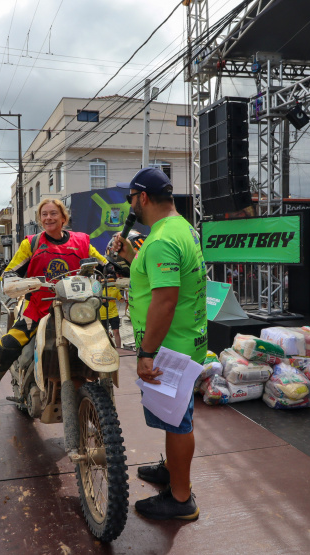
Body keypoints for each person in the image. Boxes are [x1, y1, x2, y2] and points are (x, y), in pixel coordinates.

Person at [112, 167, 207, 522]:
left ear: (143, 198)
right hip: (185, 339)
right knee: (174, 416)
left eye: (130, 198)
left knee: (179, 422)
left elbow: (165, 301)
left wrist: (147, 354)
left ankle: (181, 499)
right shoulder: (181, 228)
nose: (129, 204)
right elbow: (161, 280)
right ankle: (171, 470)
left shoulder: (162, 240)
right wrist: (129, 259)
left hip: (169, 348)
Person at [0, 198, 107, 414]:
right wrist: (14, 281)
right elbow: (11, 271)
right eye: (44, 215)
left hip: (76, 308)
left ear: (63, 217)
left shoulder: (82, 242)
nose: (49, 218)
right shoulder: (31, 243)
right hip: (38, 310)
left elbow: (103, 265)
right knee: (5, 346)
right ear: (40, 219)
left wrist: (116, 268)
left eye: (53, 214)